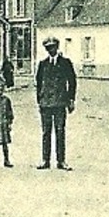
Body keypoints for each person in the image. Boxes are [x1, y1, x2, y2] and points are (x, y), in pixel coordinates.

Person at [36, 36, 77, 170]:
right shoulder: (43, 64)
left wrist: (71, 100)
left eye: (53, 47)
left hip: (60, 103)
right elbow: (39, 83)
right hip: (46, 104)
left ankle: (61, 161)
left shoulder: (65, 63)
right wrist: (40, 101)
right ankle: (45, 160)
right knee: (46, 132)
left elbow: (72, 82)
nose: (51, 50)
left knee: (60, 131)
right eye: (48, 48)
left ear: (57, 47)